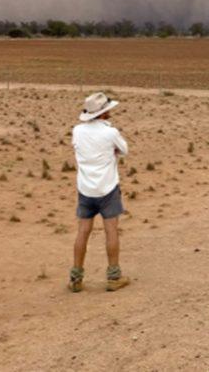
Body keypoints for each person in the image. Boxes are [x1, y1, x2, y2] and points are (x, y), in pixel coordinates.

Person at [68, 92, 131, 292]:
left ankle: (76, 278)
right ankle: (113, 276)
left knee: (83, 231)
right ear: (103, 113)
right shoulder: (110, 132)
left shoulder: (77, 131)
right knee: (111, 230)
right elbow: (124, 150)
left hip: (85, 188)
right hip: (107, 188)